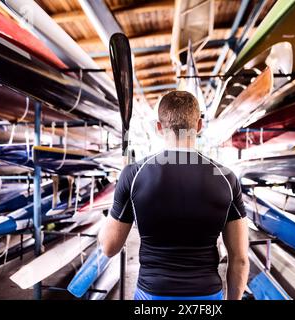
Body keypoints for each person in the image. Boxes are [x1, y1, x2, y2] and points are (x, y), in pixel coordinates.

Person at [98, 91, 249, 300]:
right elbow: (239, 259)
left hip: (152, 295)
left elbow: (108, 247)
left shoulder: (133, 175)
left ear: (159, 128)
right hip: (206, 295)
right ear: (198, 126)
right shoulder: (226, 178)